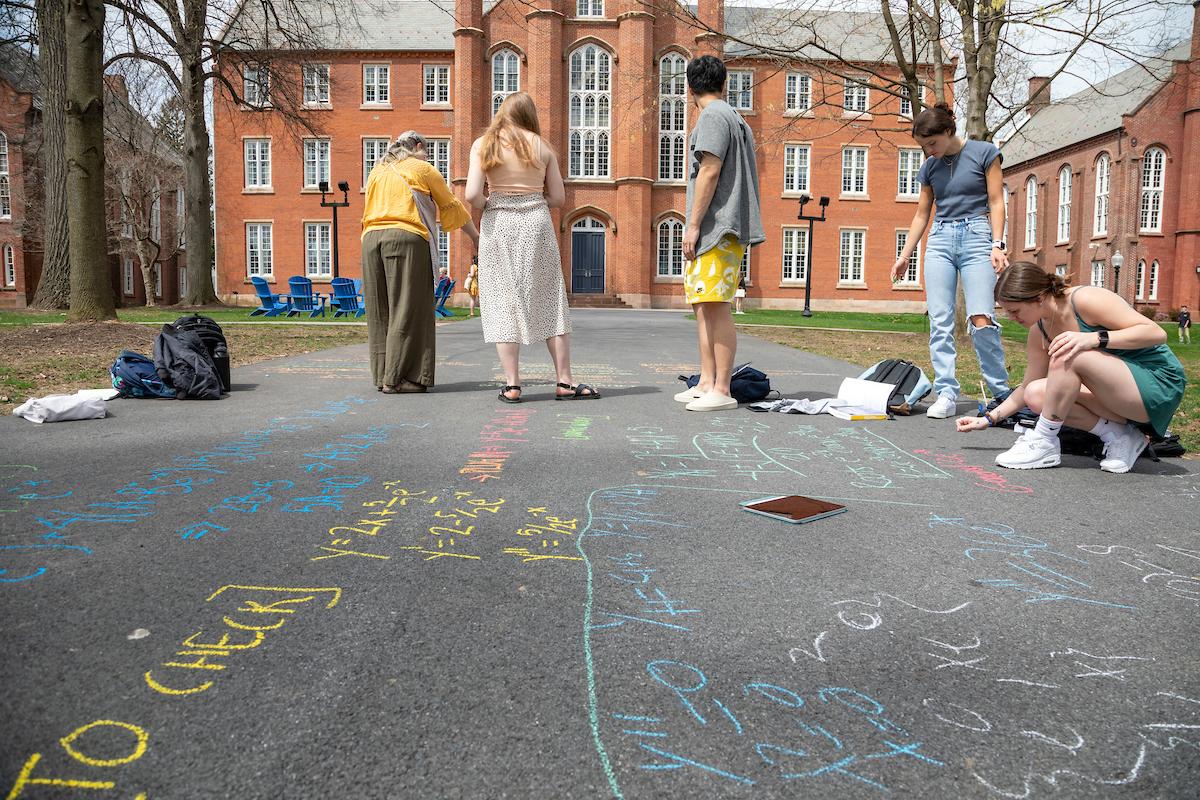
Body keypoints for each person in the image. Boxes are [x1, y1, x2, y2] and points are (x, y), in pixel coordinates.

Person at [957, 262, 1186, 473]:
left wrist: (1094, 339)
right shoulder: (1040, 331)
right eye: (1006, 311)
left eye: (1015, 311)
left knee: (1069, 351)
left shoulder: (1086, 299)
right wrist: (988, 419)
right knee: (1036, 394)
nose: (1010, 317)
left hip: (1157, 385)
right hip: (1117, 399)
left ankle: (1044, 441)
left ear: (1039, 297)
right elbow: (1026, 386)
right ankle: (1121, 437)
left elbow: (1156, 333)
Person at [465, 91, 599, 403]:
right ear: (530, 116)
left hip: (498, 224)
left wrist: (492, 203)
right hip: (535, 223)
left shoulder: (484, 145)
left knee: (502, 300)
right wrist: (532, 199)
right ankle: (564, 382)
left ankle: (512, 385)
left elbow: (472, 195)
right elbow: (559, 199)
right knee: (550, 298)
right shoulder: (543, 147)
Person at [892, 102, 1011, 420]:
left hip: (977, 236)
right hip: (941, 240)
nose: (929, 151)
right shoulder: (930, 168)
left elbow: (997, 201)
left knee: (981, 319)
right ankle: (946, 392)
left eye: (932, 143)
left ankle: (1001, 393)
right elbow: (922, 214)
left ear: (948, 131)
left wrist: (997, 245)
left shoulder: (986, 153)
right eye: (923, 146)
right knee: (940, 321)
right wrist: (905, 255)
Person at [675, 55, 765, 412]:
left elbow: (709, 170)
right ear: (723, 84)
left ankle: (722, 388)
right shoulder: (733, 116)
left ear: (690, 88)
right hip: (721, 226)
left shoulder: (713, 116)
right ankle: (707, 381)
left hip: (718, 225)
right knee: (703, 304)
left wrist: (693, 224)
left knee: (715, 305)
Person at [361, 130, 479, 394]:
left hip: (370, 239)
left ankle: (383, 376)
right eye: (427, 150)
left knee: (380, 312)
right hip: (406, 237)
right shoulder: (421, 168)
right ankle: (399, 378)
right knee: (408, 309)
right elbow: (451, 205)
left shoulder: (377, 170)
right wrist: (477, 237)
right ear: (417, 146)